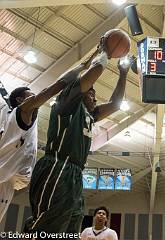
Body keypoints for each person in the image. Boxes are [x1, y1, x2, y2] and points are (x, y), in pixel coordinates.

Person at [24, 40, 130, 233]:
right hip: (58, 165)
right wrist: (105, 51)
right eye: (91, 94)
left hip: (75, 174)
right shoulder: (67, 103)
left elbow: (115, 104)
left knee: (71, 229)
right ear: (78, 94)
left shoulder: (89, 115)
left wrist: (123, 74)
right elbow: (96, 70)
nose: (95, 98)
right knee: (48, 228)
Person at [0, 51, 97, 222]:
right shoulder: (23, 111)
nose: (35, 98)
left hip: (9, 179)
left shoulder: (7, 114)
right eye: (31, 95)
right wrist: (84, 65)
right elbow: (55, 87)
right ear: (21, 100)